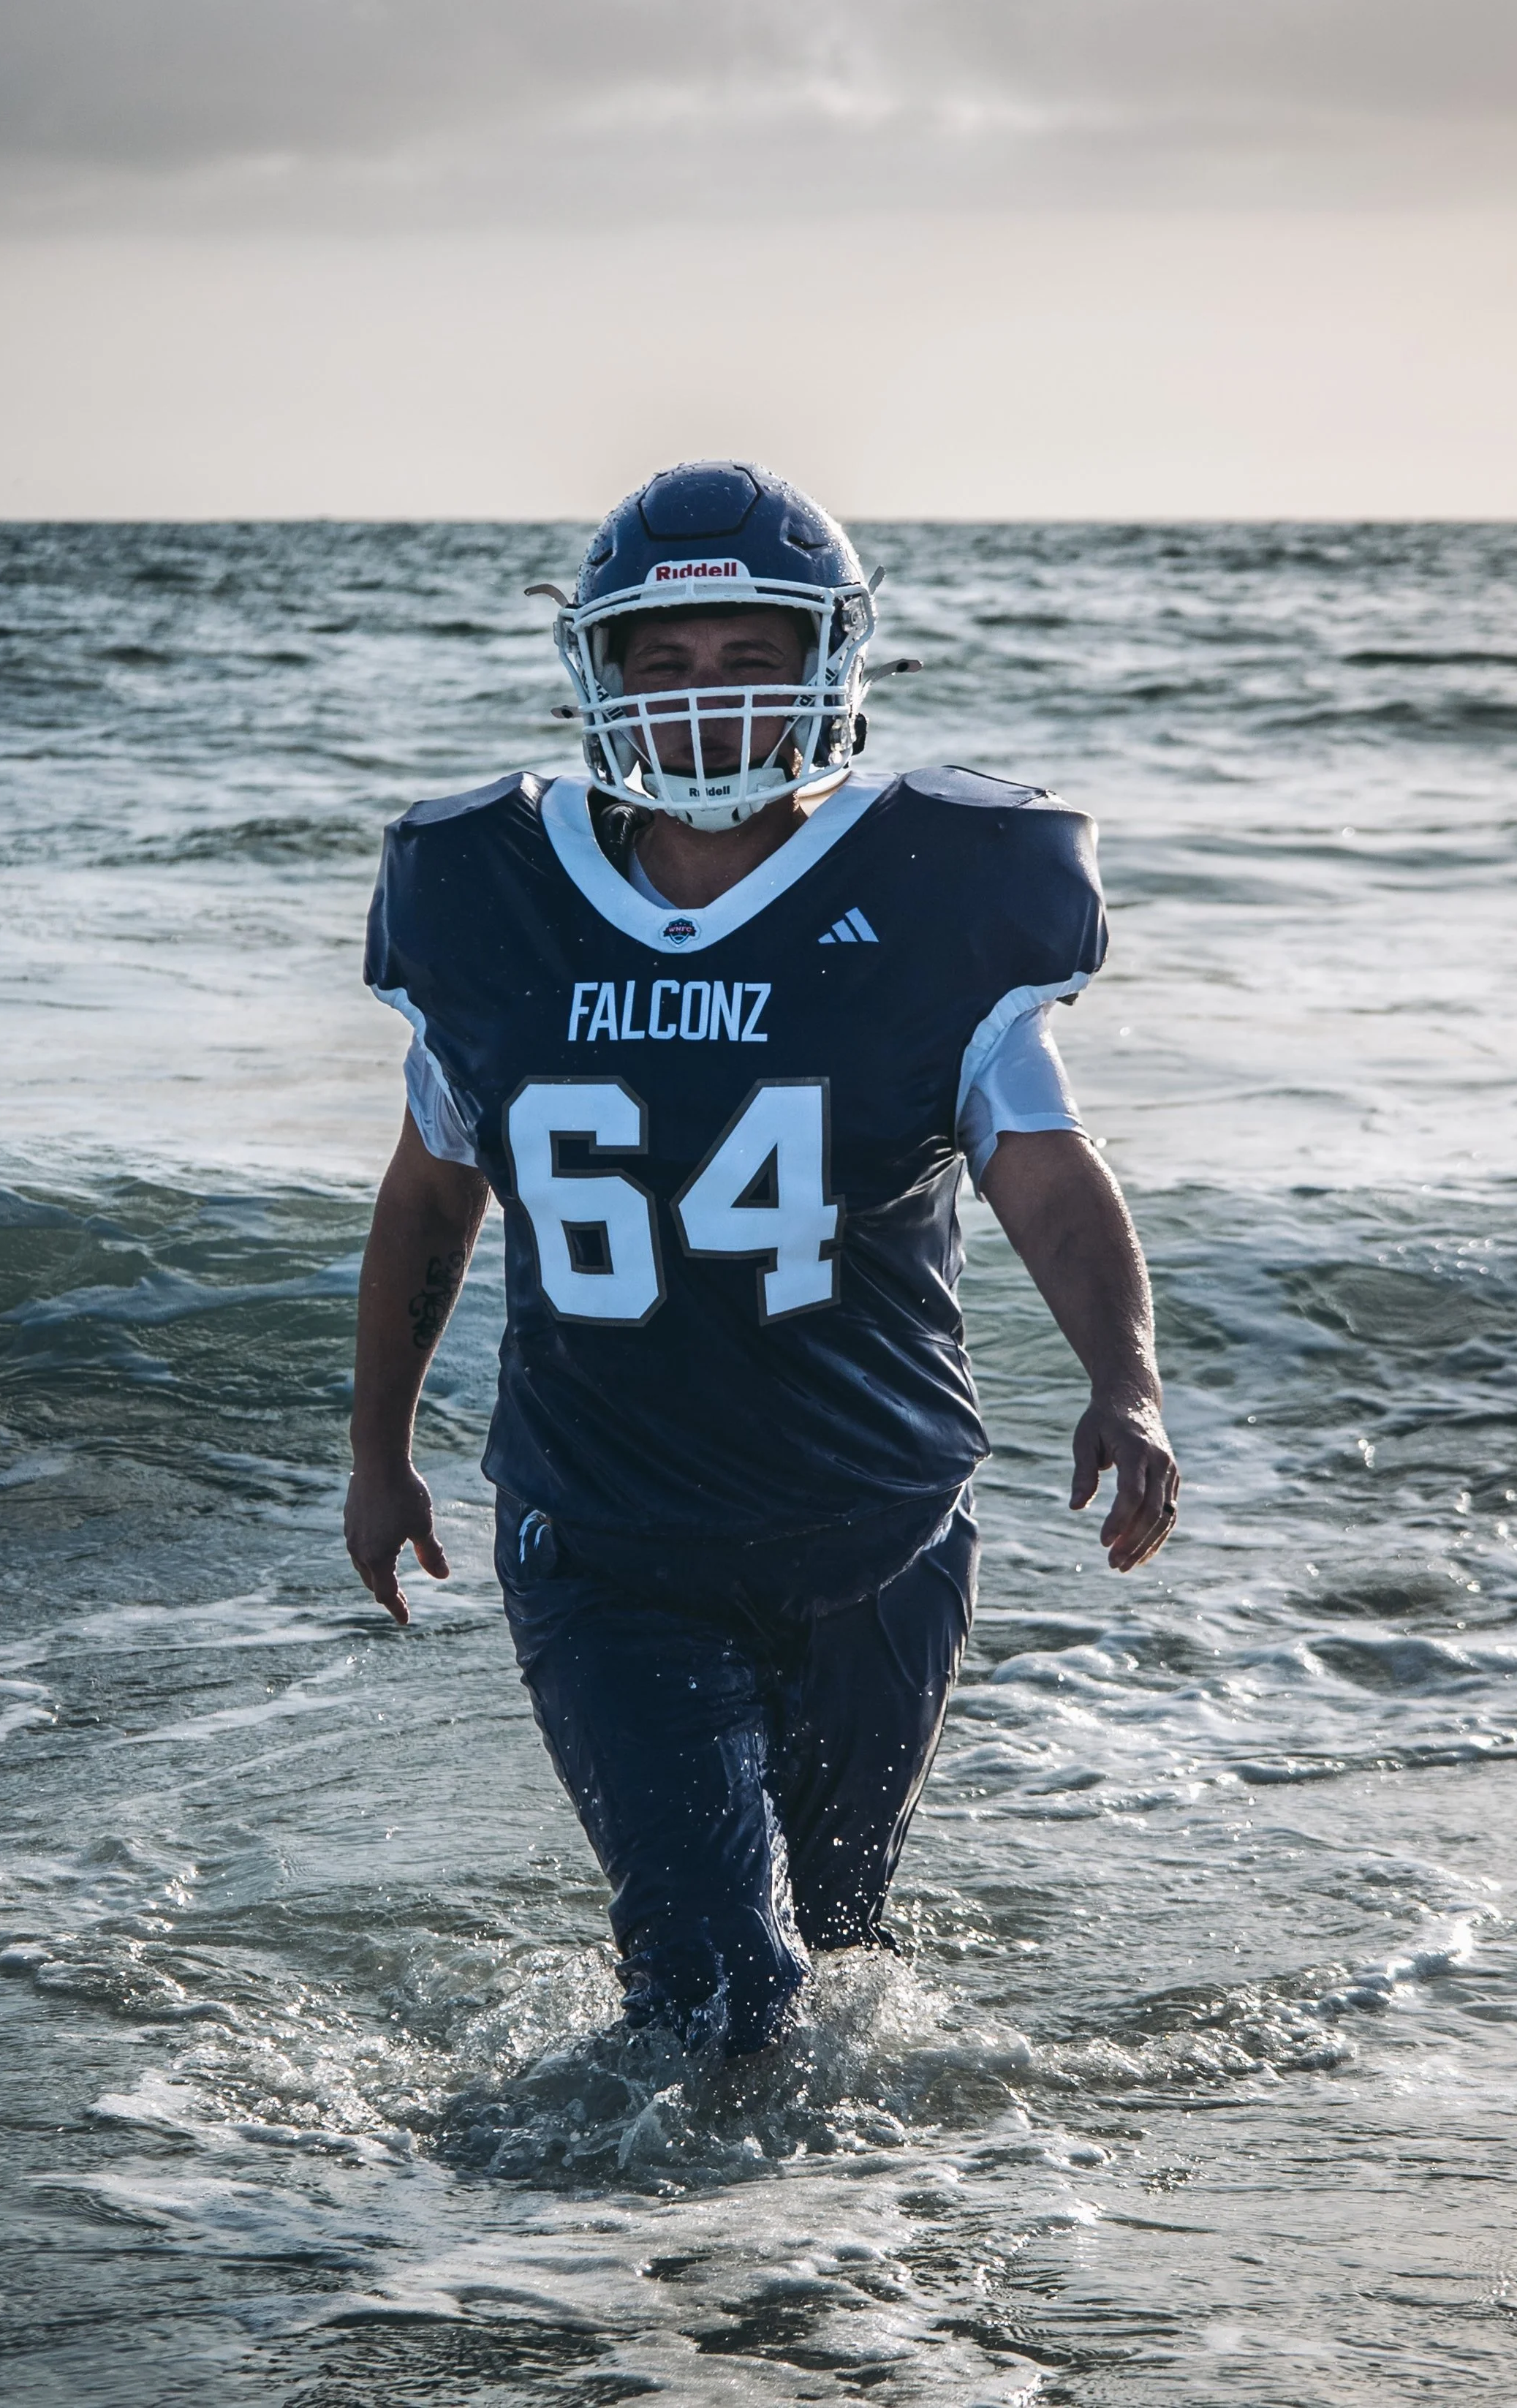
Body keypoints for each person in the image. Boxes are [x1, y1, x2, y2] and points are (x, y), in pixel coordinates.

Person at [345, 461, 1179, 2056]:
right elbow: (430, 1195)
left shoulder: (940, 887)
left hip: (881, 1530)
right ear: (594, 673)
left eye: (747, 658)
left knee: (837, 1950)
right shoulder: (491, 895)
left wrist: (1122, 1385)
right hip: (605, 1540)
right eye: (661, 663)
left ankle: (808, 2272)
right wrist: (376, 1452)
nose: (702, 702)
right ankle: (620, 2268)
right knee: (722, 1992)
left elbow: (1049, 1181)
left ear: (829, 665)